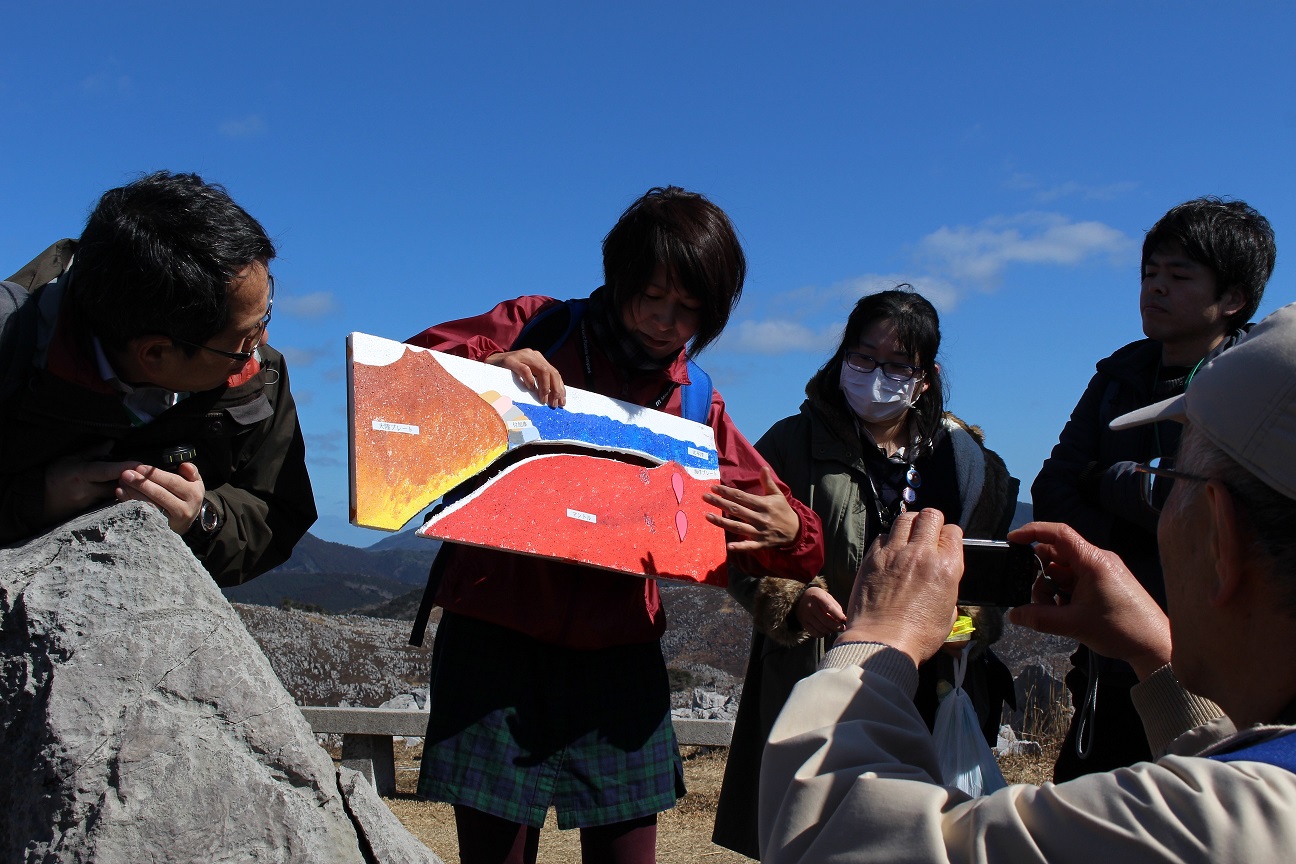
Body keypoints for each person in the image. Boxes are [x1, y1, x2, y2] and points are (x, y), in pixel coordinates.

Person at [758, 301, 1296, 864]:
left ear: (1220, 535)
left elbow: (830, 833)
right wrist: (1160, 660)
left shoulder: (1188, 826)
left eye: (1172, 478)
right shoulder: (1245, 806)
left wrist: (878, 637)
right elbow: (1235, 770)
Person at [404, 186, 824, 864]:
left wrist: (793, 530)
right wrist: (485, 370)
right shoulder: (539, 326)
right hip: (494, 650)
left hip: (619, 661)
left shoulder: (694, 399)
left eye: (689, 308)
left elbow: (779, 528)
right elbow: (405, 378)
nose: (665, 320)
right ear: (618, 279)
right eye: (651, 297)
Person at [711, 288, 1018, 858]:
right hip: (820, 668)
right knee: (821, 830)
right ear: (842, 356)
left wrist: (967, 627)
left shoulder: (966, 461)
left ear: (924, 377)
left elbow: (987, 574)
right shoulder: (789, 443)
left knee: (933, 834)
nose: (877, 375)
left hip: (939, 681)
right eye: (863, 357)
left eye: (899, 364)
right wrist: (793, 599)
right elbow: (737, 547)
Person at [1032, 197, 1275, 779]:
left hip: (1220, 664)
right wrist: (1125, 546)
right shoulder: (1119, 376)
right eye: (1149, 273)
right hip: (1108, 657)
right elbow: (1053, 489)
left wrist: (1111, 482)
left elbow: (1225, 511)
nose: (1155, 289)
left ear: (1234, 299)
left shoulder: (1256, 381)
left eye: (1179, 276)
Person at [0, 172, 316, 586]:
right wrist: (38, 498)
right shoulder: (14, 346)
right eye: (243, 336)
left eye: (265, 313)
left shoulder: (260, 374)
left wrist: (201, 519)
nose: (261, 342)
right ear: (155, 353)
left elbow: (278, 513)